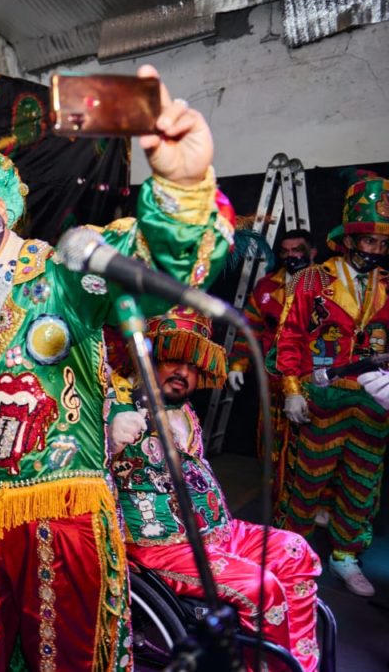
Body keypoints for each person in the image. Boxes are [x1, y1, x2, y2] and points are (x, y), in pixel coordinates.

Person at [0, 64, 232, 670]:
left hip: (63, 516)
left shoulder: (61, 273)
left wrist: (180, 196)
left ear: (0, 199)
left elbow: (157, 266)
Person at [108, 307, 322, 671]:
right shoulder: (114, 402)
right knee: (260, 587)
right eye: (173, 361)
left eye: (192, 367)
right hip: (163, 548)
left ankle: (302, 663)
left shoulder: (186, 411)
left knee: (296, 550)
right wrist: (109, 438)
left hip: (220, 533)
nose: (183, 374)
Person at [274, 175, 389, 597]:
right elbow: (288, 336)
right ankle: (293, 551)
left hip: (374, 407)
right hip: (322, 399)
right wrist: (290, 388)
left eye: (382, 244)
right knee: (307, 481)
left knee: (362, 482)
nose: (374, 251)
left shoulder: (388, 286)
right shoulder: (312, 281)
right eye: (367, 241)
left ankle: (346, 555)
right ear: (350, 239)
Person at [227, 229, 318, 519]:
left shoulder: (328, 285)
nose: (291, 255)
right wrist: (238, 365)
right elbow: (249, 329)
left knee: (312, 444)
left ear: (312, 252)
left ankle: (315, 504)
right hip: (273, 380)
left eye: (298, 249)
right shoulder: (267, 286)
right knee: (272, 442)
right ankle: (277, 499)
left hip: (313, 380)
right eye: (286, 251)